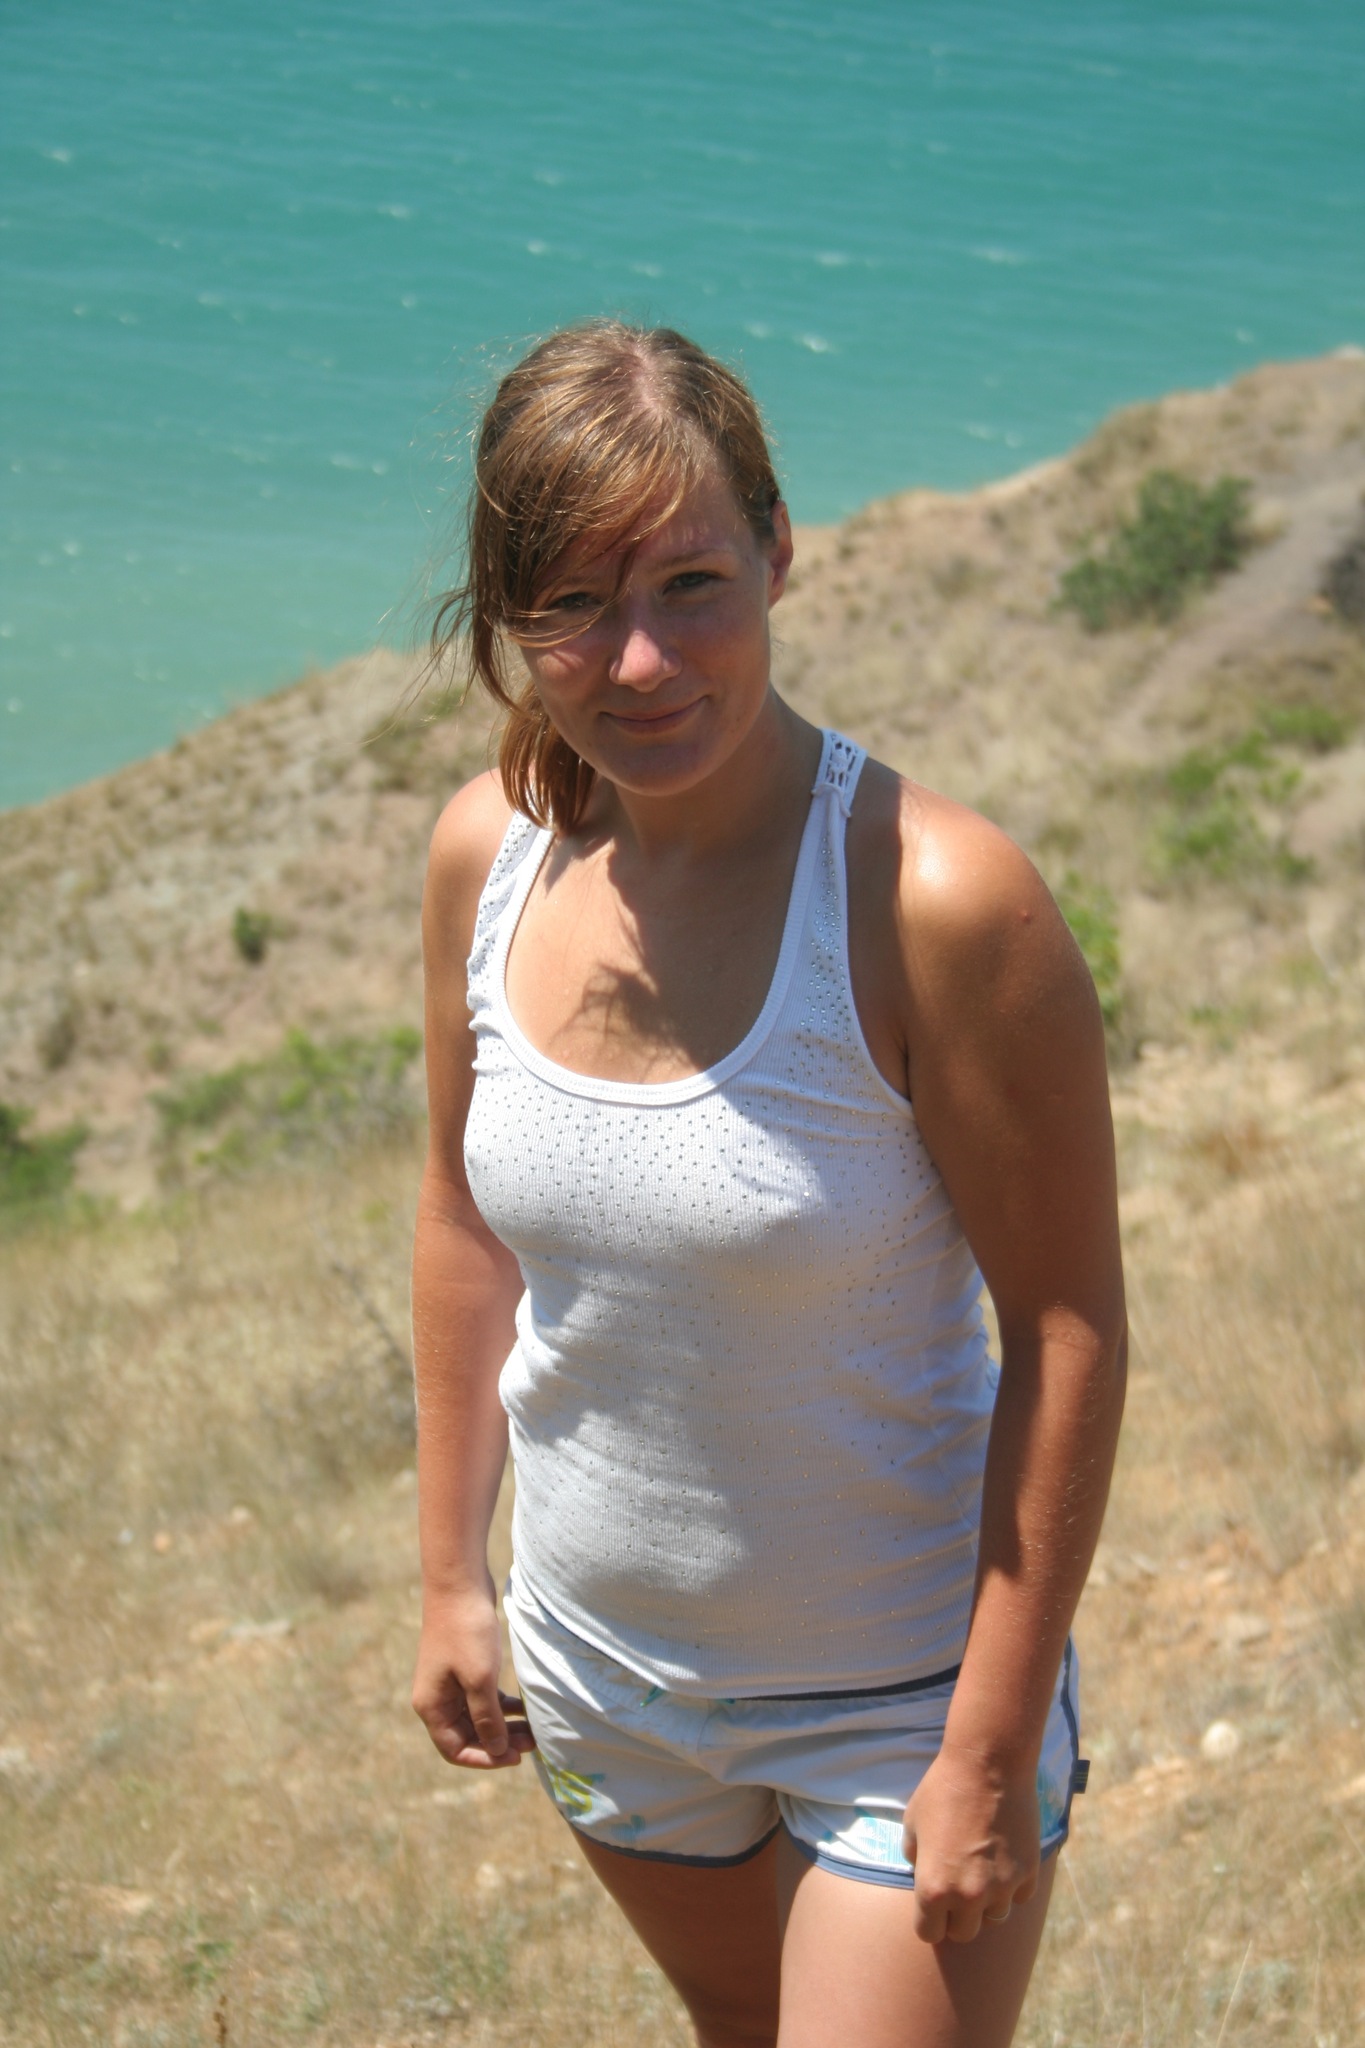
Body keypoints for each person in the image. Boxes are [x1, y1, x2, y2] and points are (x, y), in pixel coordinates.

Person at [410, 321, 1126, 2048]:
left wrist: (985, 1743)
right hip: (606, 1683)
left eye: (690, 584)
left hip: (899, 1700)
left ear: (780, 549)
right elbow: (460, 1225)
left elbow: (1066, 1330)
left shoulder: (932, 901)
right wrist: (449, 1576)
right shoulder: (484, 859)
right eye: (571, 607)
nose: (639, 659)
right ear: (506, 617)